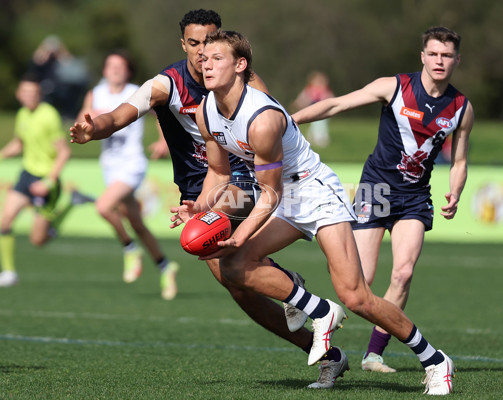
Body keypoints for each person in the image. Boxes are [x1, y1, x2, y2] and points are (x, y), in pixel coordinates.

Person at [70, 9, 346, 389]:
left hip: (241, 181)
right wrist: (94, 128)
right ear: (183, 44)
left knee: (226, 258)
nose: (203, 53)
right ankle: (323, 347)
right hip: (198, 188)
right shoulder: (166, 85)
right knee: (234, 283)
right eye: (195, 43)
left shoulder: (243, 78)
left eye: (210, 41)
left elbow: (273, 127)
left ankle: (302, 297)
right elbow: (120, 114)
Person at [171, 29, 455, 396]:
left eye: (216, 59)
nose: (205, 65)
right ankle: (318, 309)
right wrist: (201, 205)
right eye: (203, 59)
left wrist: (240, 234)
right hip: (281, 193)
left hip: (314, 191)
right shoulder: (206, 113)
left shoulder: (263, 118)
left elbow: (269, 193)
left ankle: (434, 360)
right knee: (233, 266)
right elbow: (220, 173)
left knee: (355, 296)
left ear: (240, 66)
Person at [293, 26, 473, 375]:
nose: (439, 61)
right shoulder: (394, 87)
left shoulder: (462, 108)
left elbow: (461, 160)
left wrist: (457, 189)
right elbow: (338, 103)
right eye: (433, 54)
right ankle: (299, 293)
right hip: (376, 190)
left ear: (456, 60)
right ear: (422, 56)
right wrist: (292, 119)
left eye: (447, 55)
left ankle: (374, 354)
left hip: (416, 198)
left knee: (403, 274)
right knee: (359, 281)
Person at [75, 51, 179, 300]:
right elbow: (82, 118)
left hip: (133, 164)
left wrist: (163, 141)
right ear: (104, 70)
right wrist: (87, 122)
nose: (115, 70)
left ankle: (130, 249)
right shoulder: (96, 93)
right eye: (111, 65)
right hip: (109, 165)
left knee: (103, 207)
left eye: (120, 66)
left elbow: (159, 115)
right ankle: (166, 267)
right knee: (136, 223)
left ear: (128, 71)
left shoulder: (136, 90)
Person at [0, 74, 93, 287]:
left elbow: (64, 152)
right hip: (26, 175)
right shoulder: (22, 114)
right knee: (5, 221)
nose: (29, 96)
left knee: (38, 241)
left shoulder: (48, 116)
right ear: (18, 94)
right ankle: (9, 272)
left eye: (33, 93)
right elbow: (19, 143)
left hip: (46, 180)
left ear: (39, 95)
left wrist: (48, 182)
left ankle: (71, 204)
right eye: (25, 92)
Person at [291, 71, 334, 147]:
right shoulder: (310, 89)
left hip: (324, 110)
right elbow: (304, 97)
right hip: (314, 109)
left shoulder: (325, 90)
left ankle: (320, 140)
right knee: (315, 124)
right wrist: (298, 103)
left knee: (320, 125)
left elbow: (331, 98)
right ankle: (316, 139)